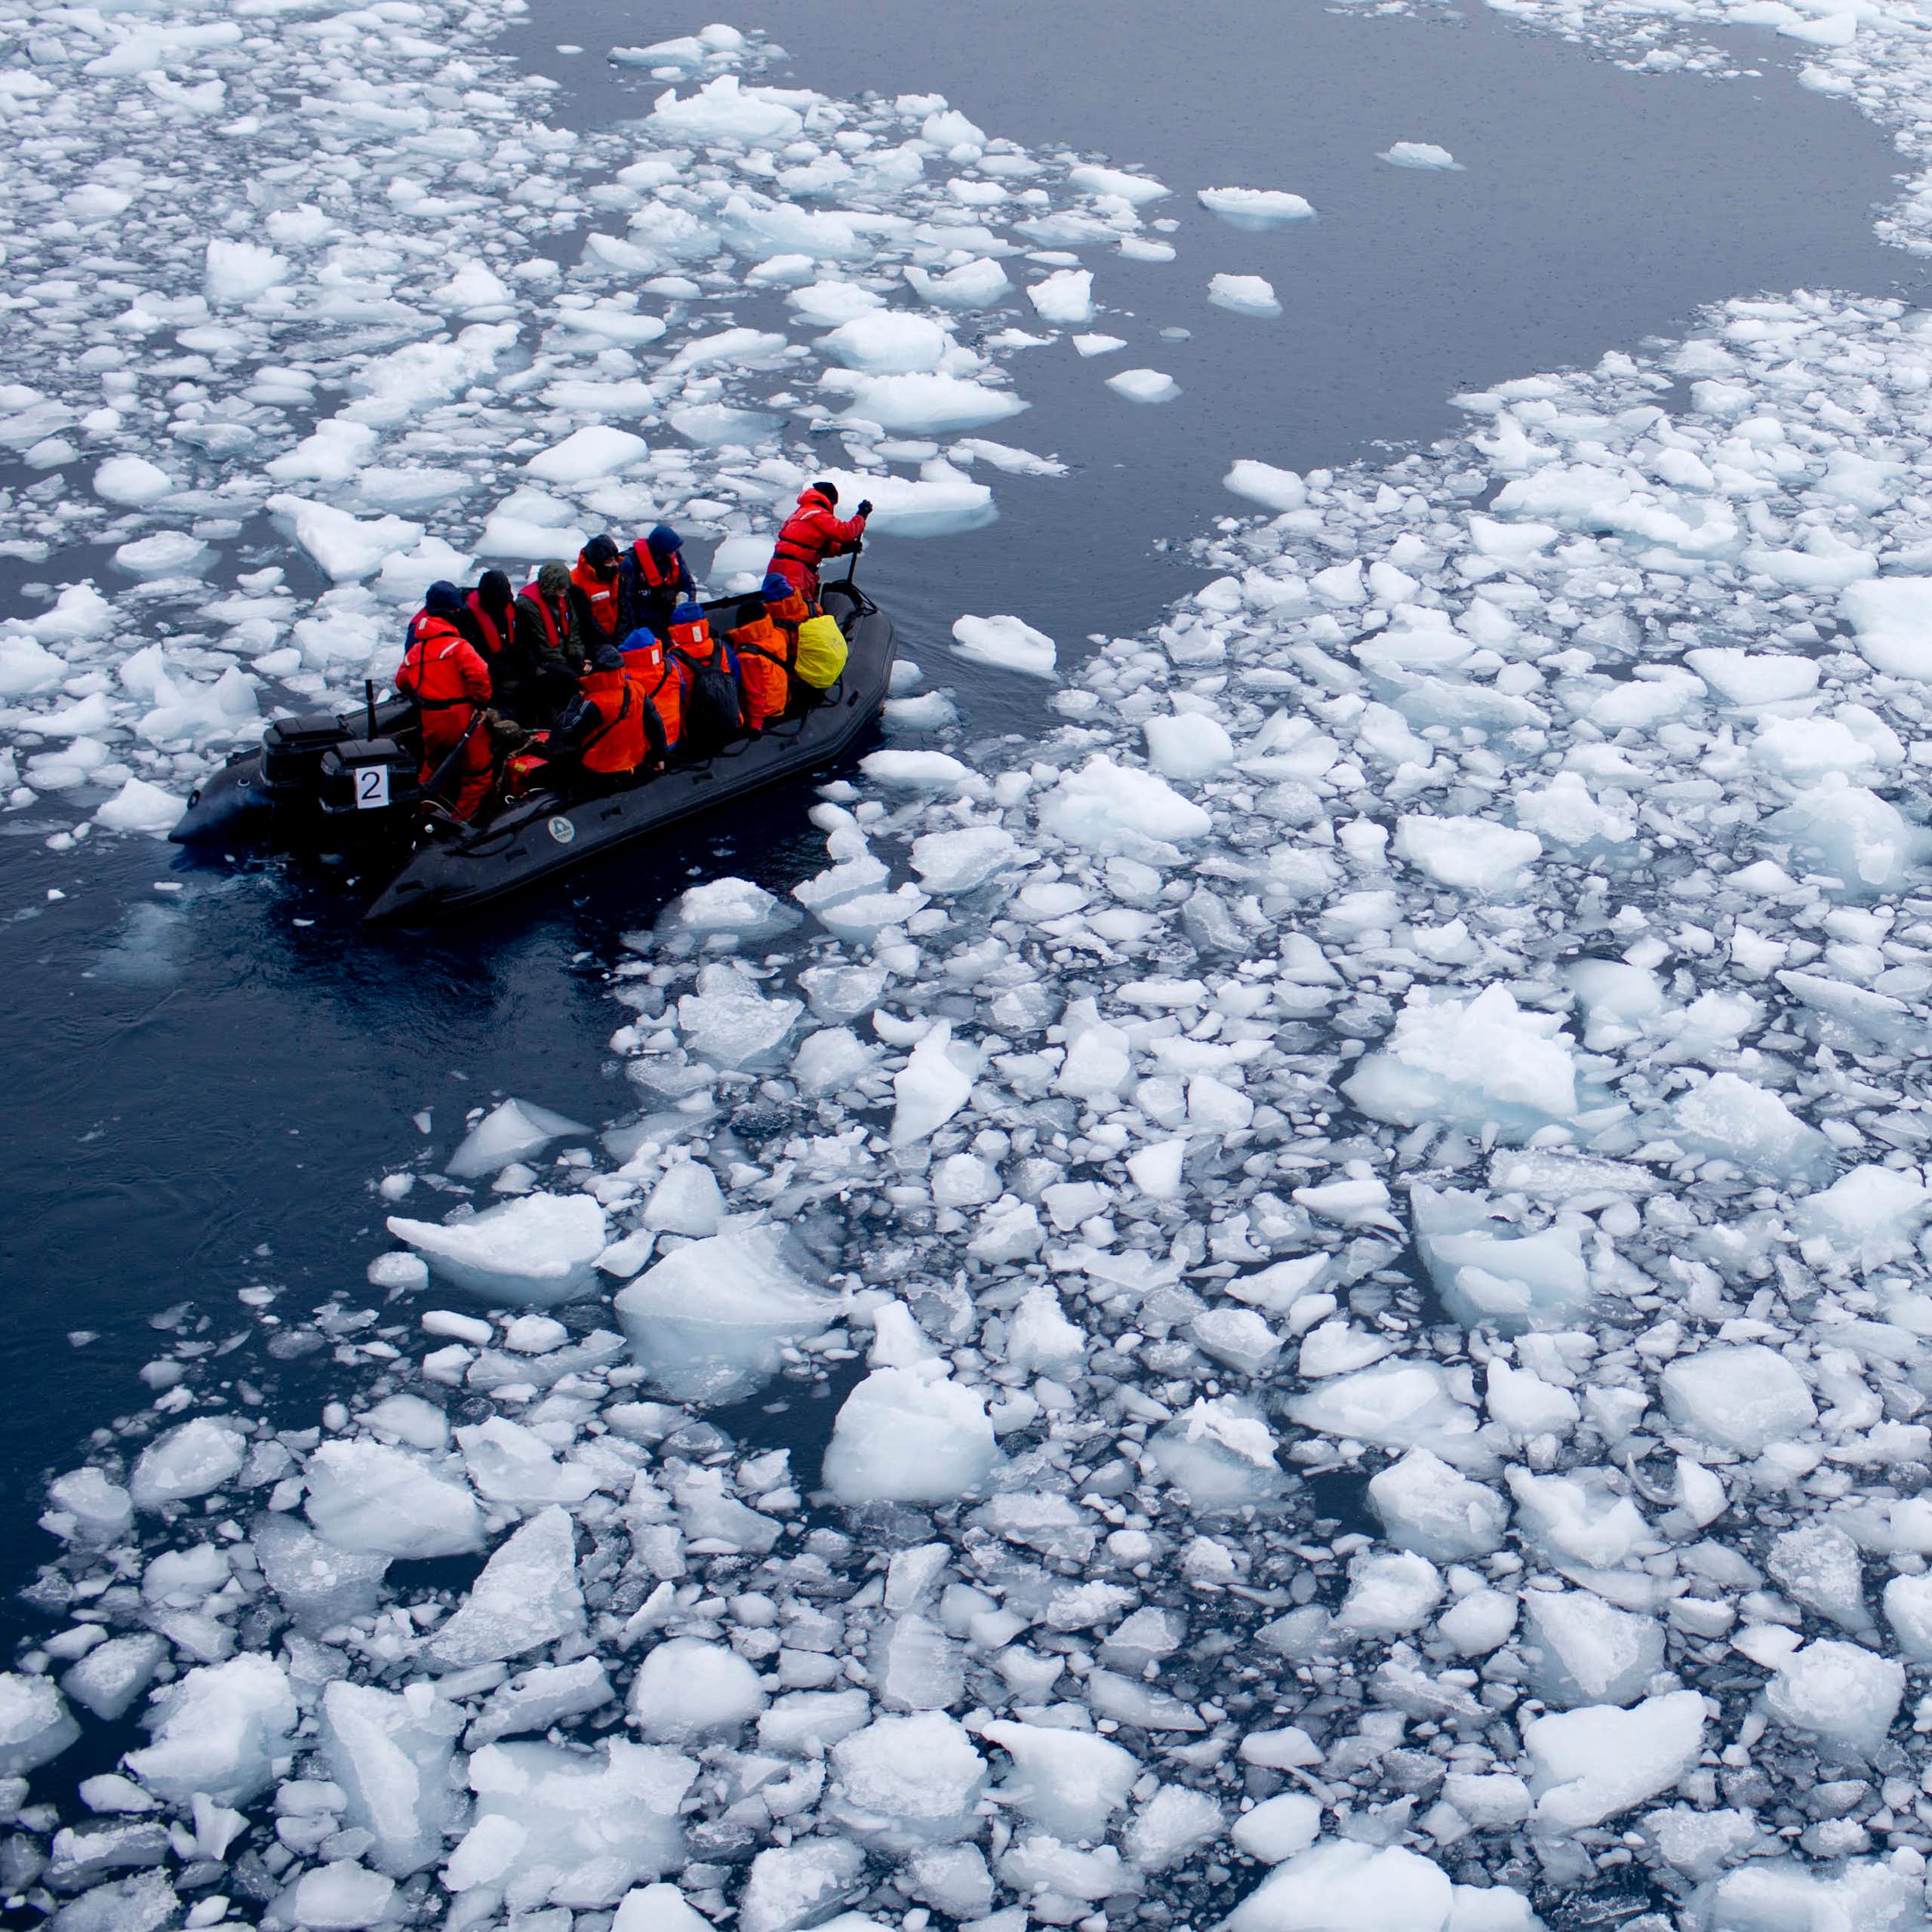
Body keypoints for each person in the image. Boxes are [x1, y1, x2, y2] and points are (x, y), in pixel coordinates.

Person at [396, 583, 494, 821]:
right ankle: (459, 822)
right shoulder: (458, 647)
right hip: (463, 718)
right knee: (479, 774)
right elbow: (480, 674)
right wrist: (482, 704)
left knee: (433, 769)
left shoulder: (415, 652)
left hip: (431, 719)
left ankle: (417, 813)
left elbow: (402, 681)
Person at [546, 640, 660, 790]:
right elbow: (655, 723)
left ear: (600, 669)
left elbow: (569, 730)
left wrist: (575, 702)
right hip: (633, 762)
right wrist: (660, 756)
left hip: (602, 769)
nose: (585, 668)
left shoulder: (595, 703)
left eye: (589, 664)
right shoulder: (636, 689)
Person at [768, 480, 871, 598]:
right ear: (830, 500)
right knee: (795, 608)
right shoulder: (817, 513)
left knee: (781, 605)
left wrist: (842, 548)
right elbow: (846, 532)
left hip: (780, 567)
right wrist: (861, 515)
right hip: (794, 572)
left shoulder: (802, 512)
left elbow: (810, 546)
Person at [666, 598, 743, 755]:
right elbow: (736, 678)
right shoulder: (722, 647)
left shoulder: (672, 660)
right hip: (729, 720)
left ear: (675, 629)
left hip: (694, 730)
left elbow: (674, 700)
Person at [510, 562, 582, 725]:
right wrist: (567, 668)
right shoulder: (527, 605)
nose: (565, 591)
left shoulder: (563, 595)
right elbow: (542, 643)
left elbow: (574, 628)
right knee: (567, 681)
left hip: (561, 654)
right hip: (540, 659)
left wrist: (577, 654)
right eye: (561, 588)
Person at [725, 591, 795, 731]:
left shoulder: (748, 658)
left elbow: (755, 693)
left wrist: (755, 725)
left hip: (766, 714)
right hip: (781, 702)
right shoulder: (777, 635)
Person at [617, 525, 696, 641]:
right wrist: (635, 634)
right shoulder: (632, 564)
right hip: (646, 623)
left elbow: (688, 585)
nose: (674, 553)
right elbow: (626, 604)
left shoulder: (673, 555)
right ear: (659, 550)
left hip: (672, 616)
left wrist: (684, 601)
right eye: (670, 551)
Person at [620, 623, 684, 758]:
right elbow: (682, 693)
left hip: (647, 748)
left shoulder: (627, 679)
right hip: (674, 739)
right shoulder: (672, 666)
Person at [569, 534, 624, 648]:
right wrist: (607, 643)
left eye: (615, 559)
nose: (615, 564)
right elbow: (584, 621)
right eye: (609, 561)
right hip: (591, 642)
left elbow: (623, 607)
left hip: (615, 636)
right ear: (597, 563)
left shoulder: (616, 575)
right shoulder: (576, 582)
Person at [457, 570, 515, 670]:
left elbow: (523, 641)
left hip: (508, 660)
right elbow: (475, 657)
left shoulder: (510, 606)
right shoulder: (467, 617)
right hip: (487, 670)